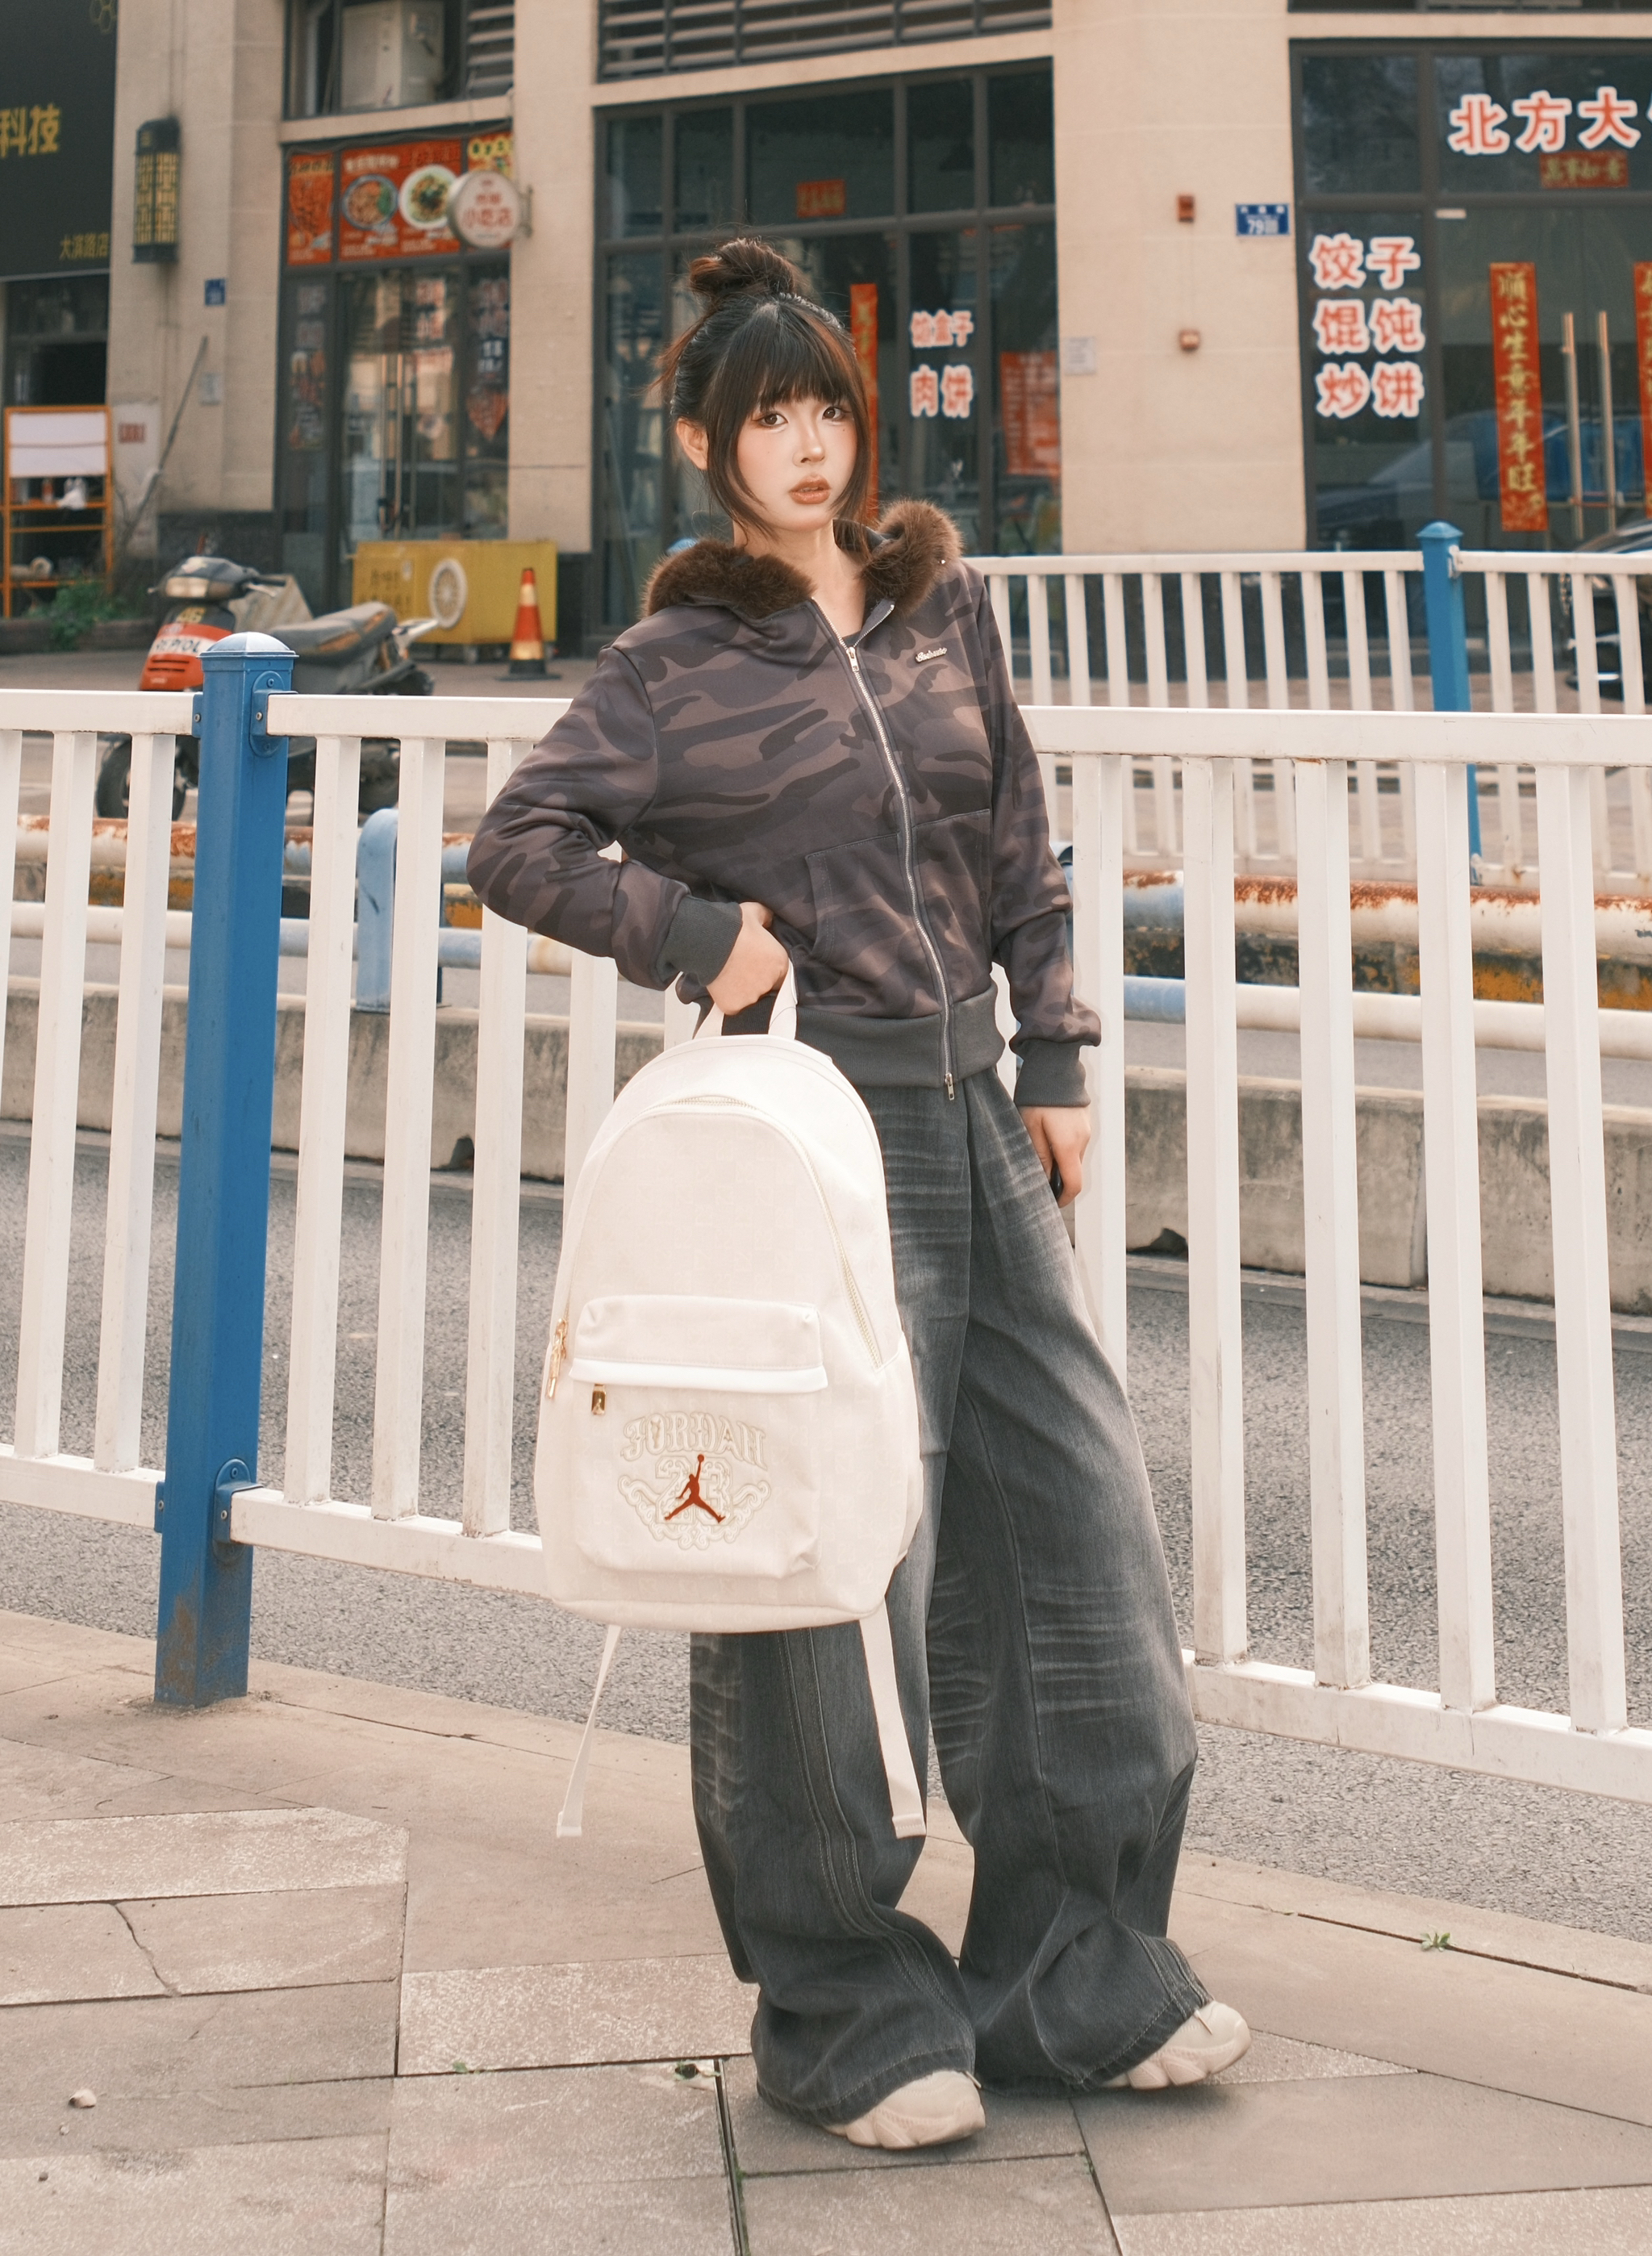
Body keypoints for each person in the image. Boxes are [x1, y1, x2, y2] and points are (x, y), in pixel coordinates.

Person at [468, 237, 1249, 2148]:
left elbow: (1015, 833)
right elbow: (521, 842)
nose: (808, 448)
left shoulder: (933, 600)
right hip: (814, 1137)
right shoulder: (672, 664)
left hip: (976, 1106)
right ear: (702, 444)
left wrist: (1052, 1053)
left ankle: (1073, 1976)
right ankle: (840, 2008)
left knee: (1070, 1532)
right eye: (769, 420)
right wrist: (695, 935)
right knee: (818, 1563)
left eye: (828, 410)